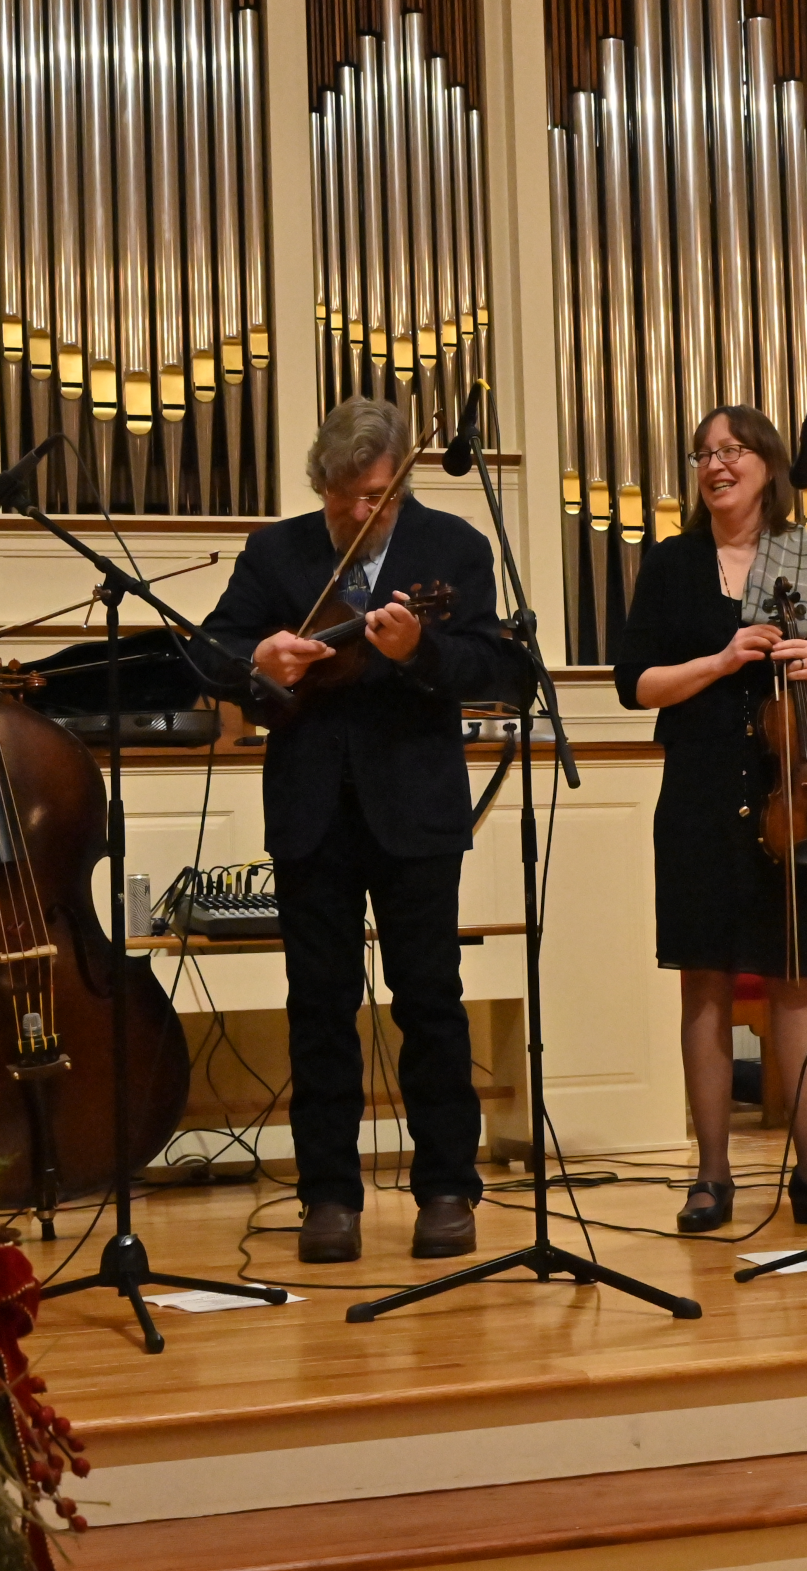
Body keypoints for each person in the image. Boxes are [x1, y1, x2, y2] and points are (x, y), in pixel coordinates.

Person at [201, 396, 508, 1264]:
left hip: (416, 808)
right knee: (320, 1007)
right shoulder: (277, 551)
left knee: (429, 1000)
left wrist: (419, 651)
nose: (355, 511)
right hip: (312, 810)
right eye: (339, 495)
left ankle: (446, 1186)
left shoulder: (453, 548)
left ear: (399, 483)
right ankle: (328, 1196)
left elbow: (493, 664)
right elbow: (212, 649)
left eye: (372, 496)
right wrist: (257, 660)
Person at [613, 405, 807, 1234]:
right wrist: (723, 658)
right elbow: (636, 683)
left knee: (798, 980)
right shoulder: (672, 563)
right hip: (699, 794)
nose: (715, 464)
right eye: (703, 453)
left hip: (788, 792)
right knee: (706, 983)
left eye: (730, 450)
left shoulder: (806, 555)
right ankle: (712, 1176)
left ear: (768, 464)